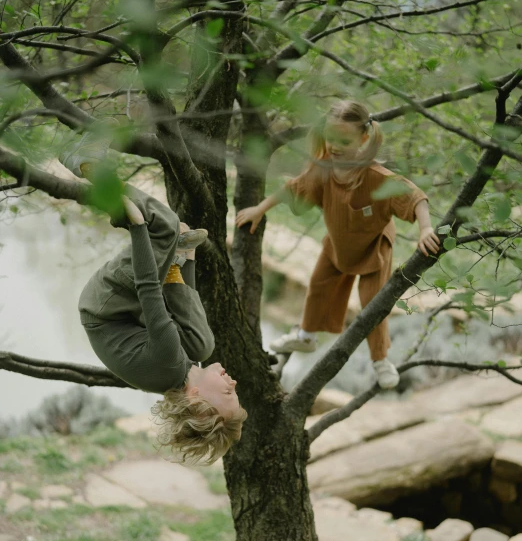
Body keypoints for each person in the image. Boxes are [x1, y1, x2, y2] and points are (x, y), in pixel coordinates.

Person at [61, 135, 247, 464]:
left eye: (228, 392)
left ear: (196, 397)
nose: (233, 381)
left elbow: (148, 288)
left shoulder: (168, 362)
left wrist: (137, 225)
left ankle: (86, 163)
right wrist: (187, 258)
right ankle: (178, 251)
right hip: (129, 311)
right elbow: (180, 309)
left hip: (106, 306)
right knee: (203, 345)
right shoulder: (184, 367)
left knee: (162, 227)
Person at [235, 99, 440, 390]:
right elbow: (294, 188)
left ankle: (380, 359)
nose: (335, 145)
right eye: (331, 138)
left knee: (373, 303)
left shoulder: (376, 178)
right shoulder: (324, 170)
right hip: (338, 246)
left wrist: (426, 228)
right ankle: (306, 335)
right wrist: (260, 209)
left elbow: (414, 197)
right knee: (318, 287)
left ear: (364, 138)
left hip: (372, 250)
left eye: (345, 140)